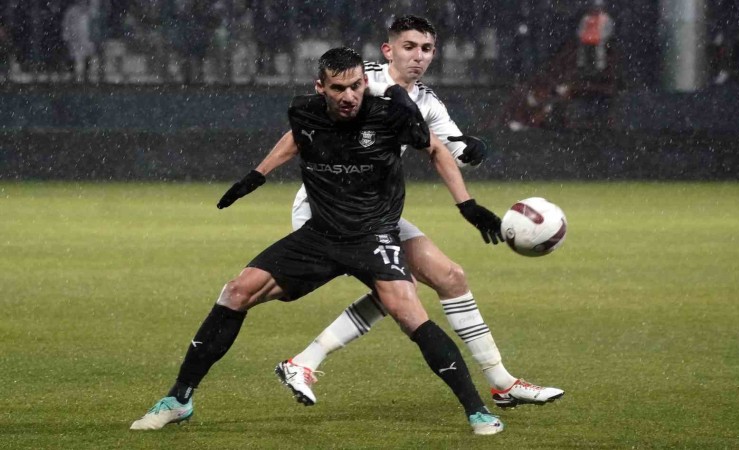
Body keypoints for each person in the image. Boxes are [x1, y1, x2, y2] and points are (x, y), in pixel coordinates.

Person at [130, 47, 505, 435]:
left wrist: (467, 204)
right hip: (320, 235)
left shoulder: (389, 114)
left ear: (365, 82)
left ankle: (477, 411)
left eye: (356, 86)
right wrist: (256, 176)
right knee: (236, 291)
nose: (349, 96)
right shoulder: (304, 111)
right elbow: (297, 138)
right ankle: (179, 400)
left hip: (373, 236)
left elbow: (434, 147)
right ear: (320, 87)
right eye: (338, 88)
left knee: (410, 314)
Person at [237, 15, 563, 409]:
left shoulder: (427, 102)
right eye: (409, 47)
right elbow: (304, 128)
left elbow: (452, 149)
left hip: (375, 215)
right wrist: (258, 174)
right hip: (326, 211)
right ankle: (303, 361)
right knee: (397, 293)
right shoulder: (362, 81)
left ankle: (502, 383)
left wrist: (473, 153)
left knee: (450, 277)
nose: (418, 56)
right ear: (388, 50)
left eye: (426, 49)